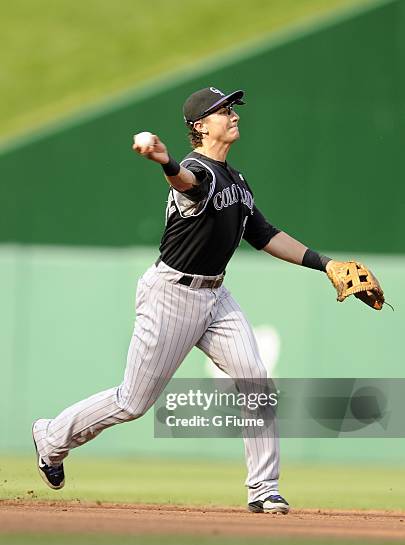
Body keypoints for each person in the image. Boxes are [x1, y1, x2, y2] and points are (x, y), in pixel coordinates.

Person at [32, 86, 332, 514]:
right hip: (171, 295)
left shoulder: (237, 180)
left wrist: (326, 264)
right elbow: (186, 182)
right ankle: (52, 437)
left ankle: (264, 488)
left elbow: (263, 235)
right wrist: (164, 160)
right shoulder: (196, 170)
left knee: (256, 380)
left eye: (232, 108)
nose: (233, 115)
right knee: (132, 402)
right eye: (222, 110)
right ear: (200, 126)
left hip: (216, 294)